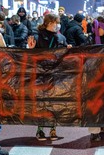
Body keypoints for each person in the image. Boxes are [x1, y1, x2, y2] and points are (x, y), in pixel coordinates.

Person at [27, 13, 72, 141]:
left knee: (54, 102)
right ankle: (40, 129)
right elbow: (31, 54)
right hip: (41, 74)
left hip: (55, 74)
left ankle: (53, 129)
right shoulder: (38, 36)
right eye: (53, 23)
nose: (56, 25)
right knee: (41, 102)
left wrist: (67, 49)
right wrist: (31, 48)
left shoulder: (61, 38)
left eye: (57, 23)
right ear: (47, 23)